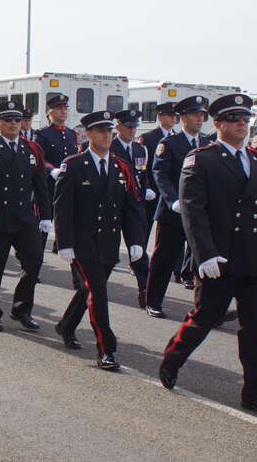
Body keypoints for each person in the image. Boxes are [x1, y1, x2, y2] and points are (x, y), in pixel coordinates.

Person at [159, 94, 257, 416]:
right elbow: (193, 211)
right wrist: (204, 254)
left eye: (245, 119)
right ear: (217, 124)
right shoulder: (201, 159)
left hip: (255, 259)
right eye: (234, 119)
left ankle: (256, 393)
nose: (242, 124)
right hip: (218, 259)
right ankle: (173, 358)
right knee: (203, 319)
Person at [53, 111, 145, 370]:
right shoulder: (73, 164)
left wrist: (136, 240)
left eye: (109, 131)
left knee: (89, 291)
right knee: (98, 294)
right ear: (89, 134)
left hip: (108, 243)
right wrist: (65, 242)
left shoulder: (121, 166)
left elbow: (132, 207)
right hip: (82, 244)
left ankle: (66, 325)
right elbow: (62, 207)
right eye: (101, 131)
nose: (107, 135)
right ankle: (107, 349)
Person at [0, 101, 51, 331]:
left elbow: (40, 184)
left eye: (17, 120)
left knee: (34, 262)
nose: (14, 124)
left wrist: (46, 215)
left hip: (24, 217)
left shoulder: (31, 148)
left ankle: (22, 308)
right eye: (8, 120)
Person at [145, 96, 212, 318]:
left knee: (204, 260)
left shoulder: (206, 144)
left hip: (200, 214)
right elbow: (160, 174)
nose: (199, 119)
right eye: (195, 115)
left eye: (202, 115)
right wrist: (172, 200)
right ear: (183, 118)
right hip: (173, 213)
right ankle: (153, 300)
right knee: (164, 259)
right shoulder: (170, 144)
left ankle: (208, 308)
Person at [112, 109, 154, 308]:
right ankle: (85, 284)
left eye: (135, 127)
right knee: (104, 251)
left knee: (138, 251)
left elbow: (142, 174)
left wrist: (145, 190)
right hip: (111, 205)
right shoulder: (108, 145)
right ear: (118, 127)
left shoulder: (140, 150)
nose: (132, 130)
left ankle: (145, 291)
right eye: (128, 127)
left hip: (134, 206)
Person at [35, 95, 79, 253]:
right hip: (48, 186)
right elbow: (39, 158)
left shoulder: (71, 134)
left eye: (65, 108)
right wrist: (51, 169)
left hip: (67, 187)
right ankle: (34, 268)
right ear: (50, 112)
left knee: (69, 225)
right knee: (42, 228)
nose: (63, 111)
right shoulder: (43, 134)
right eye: (59, 109)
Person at [137, 102, 178, 234]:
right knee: (145, 227)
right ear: (160, 117)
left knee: (167, 232)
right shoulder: (148, 137)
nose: (173, 118)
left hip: (170, 192)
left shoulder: (177, 138)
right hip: (153, 191)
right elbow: (143, 166)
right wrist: (147, 187)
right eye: (169, 115)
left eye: (175, 115)